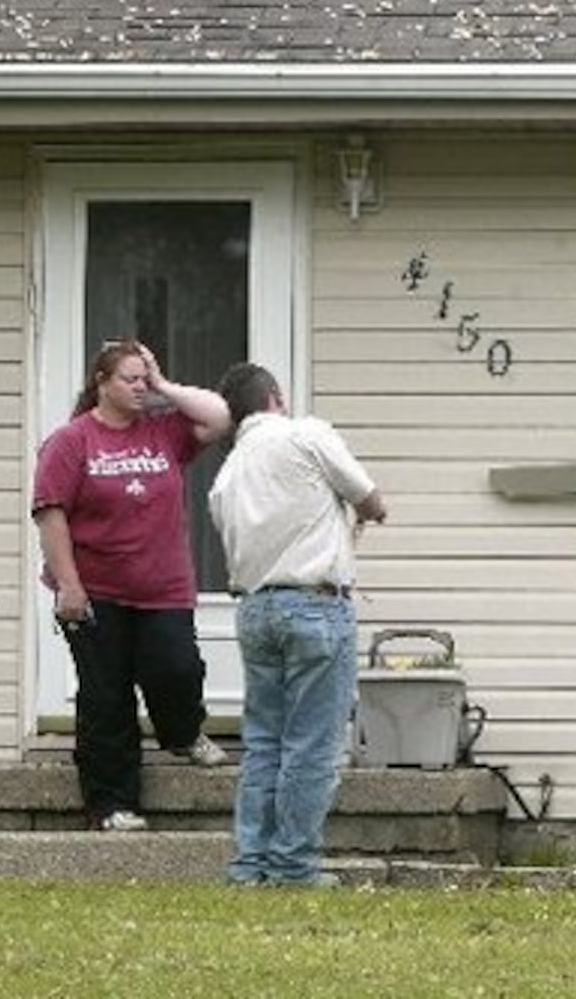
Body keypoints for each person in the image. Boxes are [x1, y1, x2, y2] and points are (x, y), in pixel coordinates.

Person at [32, 340, 232, 834]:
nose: (141, 387)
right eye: (131, 378)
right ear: (102, 382)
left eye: (145, 378)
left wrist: (165, 385)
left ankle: (183, 733)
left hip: (163, 587)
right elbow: (51, 513)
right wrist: (69, 586)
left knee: (177, 668)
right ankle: (112, 805)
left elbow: (219, 416)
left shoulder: (163, 432)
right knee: (106, 699)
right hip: (97, 592)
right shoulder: (72, 441)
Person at [208, 362, 386, 887]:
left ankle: (250, 865)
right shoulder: (306, 435)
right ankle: (293, 866)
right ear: (275, 398)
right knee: (311, 744)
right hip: (314, 605)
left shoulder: (226, 475)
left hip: (255, 609)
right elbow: (369, 499)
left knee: (264, 743)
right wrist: (372, 512)